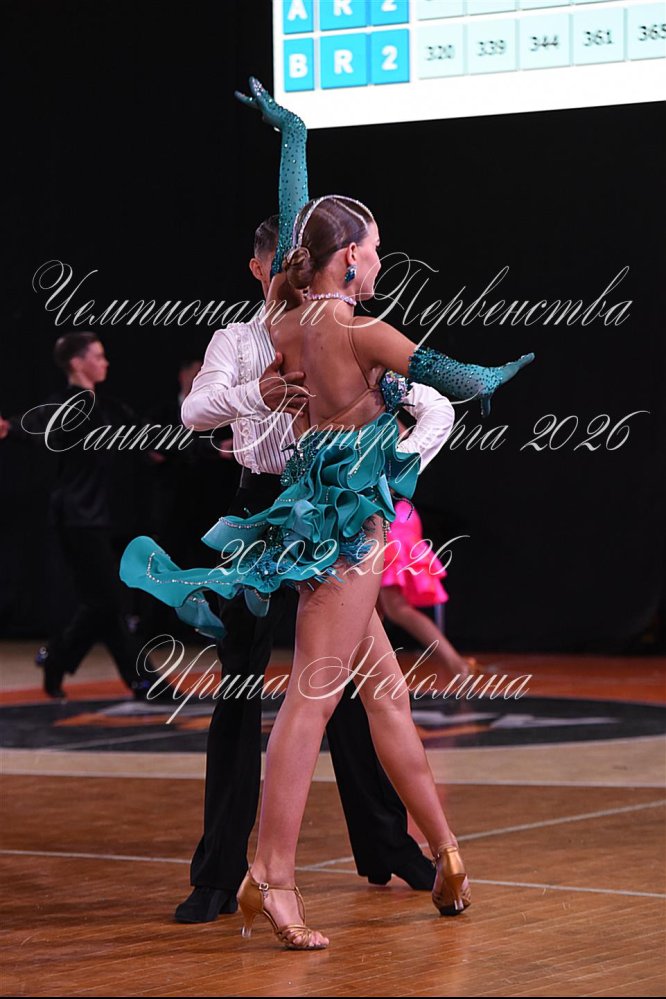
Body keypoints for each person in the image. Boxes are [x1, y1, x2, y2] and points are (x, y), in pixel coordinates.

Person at [119, 83, 535, 950]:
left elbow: (297, 224)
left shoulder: (288, 323)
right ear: (347, 258)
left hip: (314, 519)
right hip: (345, 535)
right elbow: (455, 377)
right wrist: (495, 378)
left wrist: (295, 135)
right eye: (374, 250)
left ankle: (447, 851)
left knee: (386, 695)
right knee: (310, 703)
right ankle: (270, 878)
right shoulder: (364, 333)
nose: (381, 261)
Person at [173, 214, 458, 923]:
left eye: (299, 258)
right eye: (280, 261)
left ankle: (389, 844)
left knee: (357, 690)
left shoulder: (344, 331)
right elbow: (194, 411)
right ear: (260, 267)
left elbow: (436, 404)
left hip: (336, 516)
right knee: (244, 686)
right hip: (260, 512)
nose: (292, 272)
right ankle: (223, 872)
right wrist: (257, 394)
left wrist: (385, 472)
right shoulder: (240, 339)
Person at [0, 333, 169, 701]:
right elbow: (34, 424)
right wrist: (9, 427)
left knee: (101, 604)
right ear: (77, 363)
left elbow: (142, 434)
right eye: (98, 356)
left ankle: (57, 659)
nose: (105, 362)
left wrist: (190, 448)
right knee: (110, 601)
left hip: (104, 517)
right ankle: (145, 681)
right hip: (76, 517)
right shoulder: (64, 406)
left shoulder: (109, 408)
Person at [378, 494, 480, 681]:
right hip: (394, 516)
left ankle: (457, 664)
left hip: (393, 520)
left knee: (396, 608)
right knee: (380, 611)